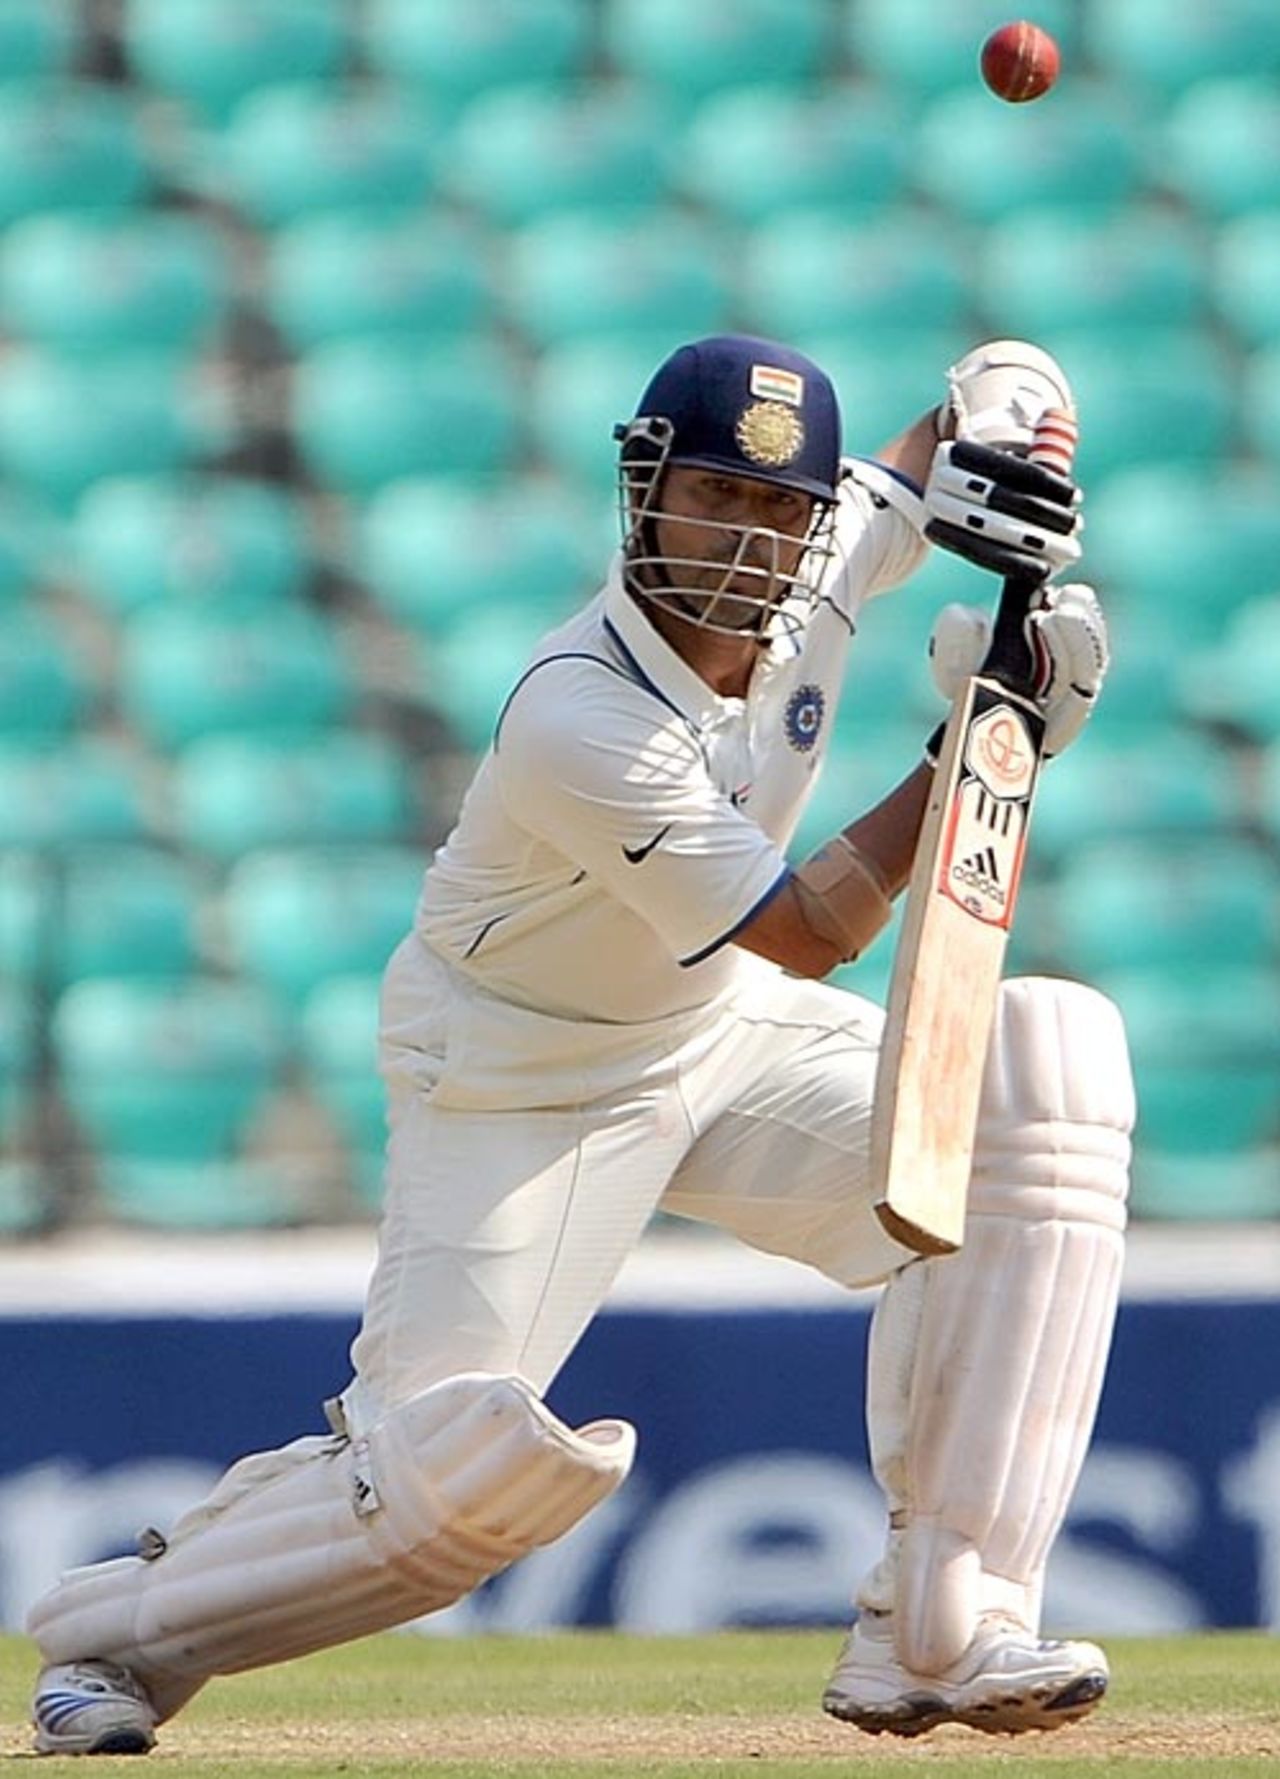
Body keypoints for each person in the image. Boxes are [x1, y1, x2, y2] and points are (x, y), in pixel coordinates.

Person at [28, 334, 1131, 1753]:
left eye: (777, 512)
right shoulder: (579, 708)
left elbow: (923, 457)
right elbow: (806, 929)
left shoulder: (826, 563)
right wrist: (981, 747)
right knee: (446, 1489)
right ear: (646, 487)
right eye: (716, 499)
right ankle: (112, 1634)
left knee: (1039, 1092)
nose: (747, 539)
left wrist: (1006, 400)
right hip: (519, 1074)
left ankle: (940, 1620)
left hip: (719, 1031)